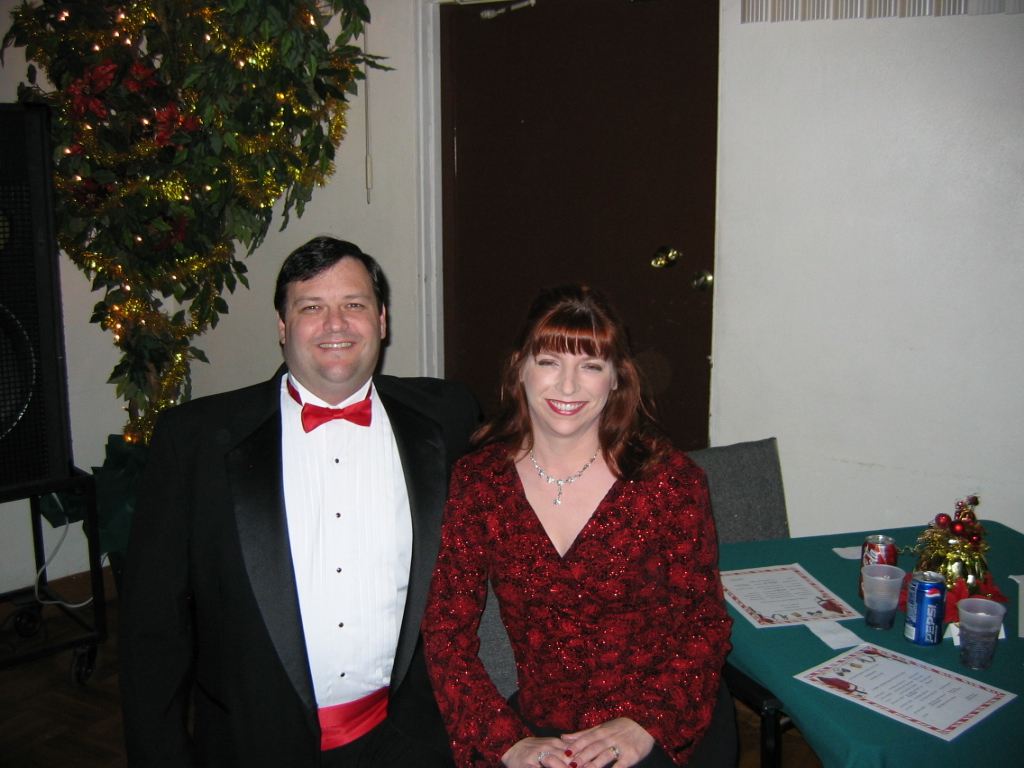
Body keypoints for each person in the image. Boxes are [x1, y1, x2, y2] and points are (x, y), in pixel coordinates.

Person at [119, 236, 478, 767]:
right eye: (311, 307)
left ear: (382, 320)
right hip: (254, 743)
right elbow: (153, 630)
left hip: (410, 739)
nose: (336, 324)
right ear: (283, 327)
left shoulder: (448, 416)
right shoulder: (193, 442)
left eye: (354, 304)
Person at [422, 285, 733, 768]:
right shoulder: (480, 483)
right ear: (520, 368)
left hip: (661, 719)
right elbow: (445, 632)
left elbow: (704, 625)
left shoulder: (670, 482)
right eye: (549, 362)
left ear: (616, 378)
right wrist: (506, 741)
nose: (567, 387)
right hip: (542, 729)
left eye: (590, 366)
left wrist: (646, 725)